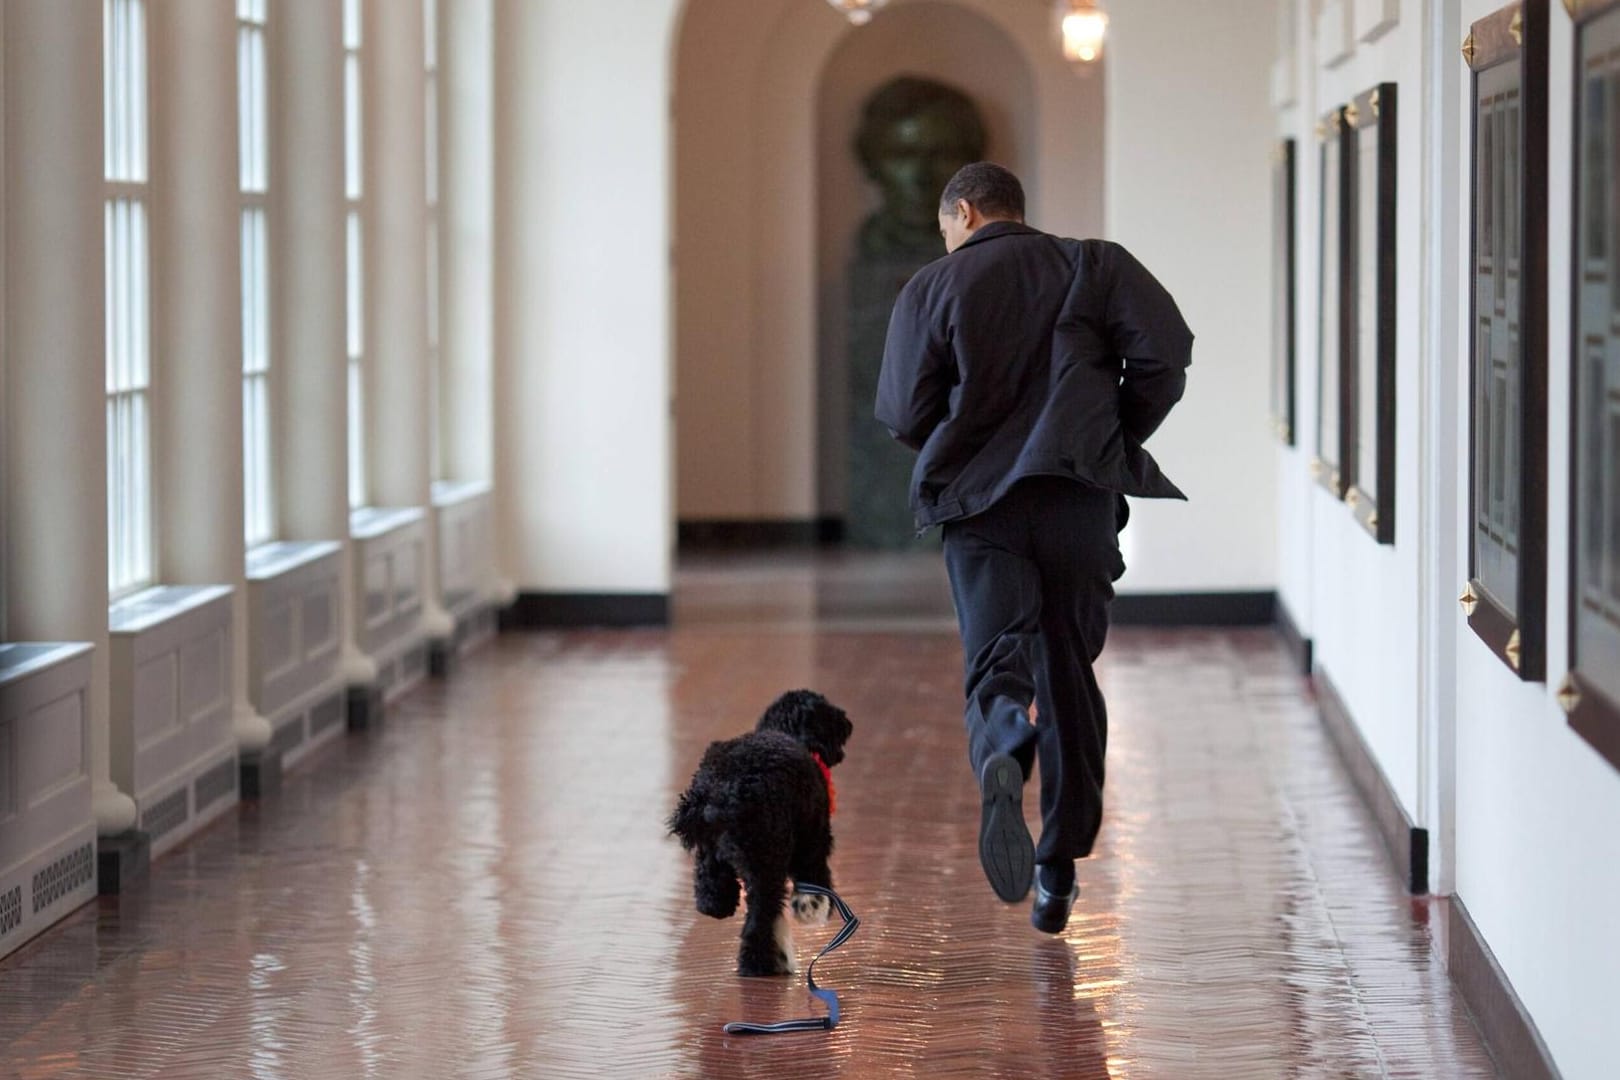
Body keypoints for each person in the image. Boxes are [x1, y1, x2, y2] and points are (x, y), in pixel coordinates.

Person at [875, 162, 1192, 933]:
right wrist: (1106, 433)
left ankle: (1004, 740)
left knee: (998, 656)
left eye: (946, 226)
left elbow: (901, 408)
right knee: (1068, 670)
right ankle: (1057, 867)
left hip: (983, 506)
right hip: (1077, 498)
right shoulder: (1094, 263)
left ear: (968, 212)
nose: (946, 240)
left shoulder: (933, 286)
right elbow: (1166, 354)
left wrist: (960, 439)